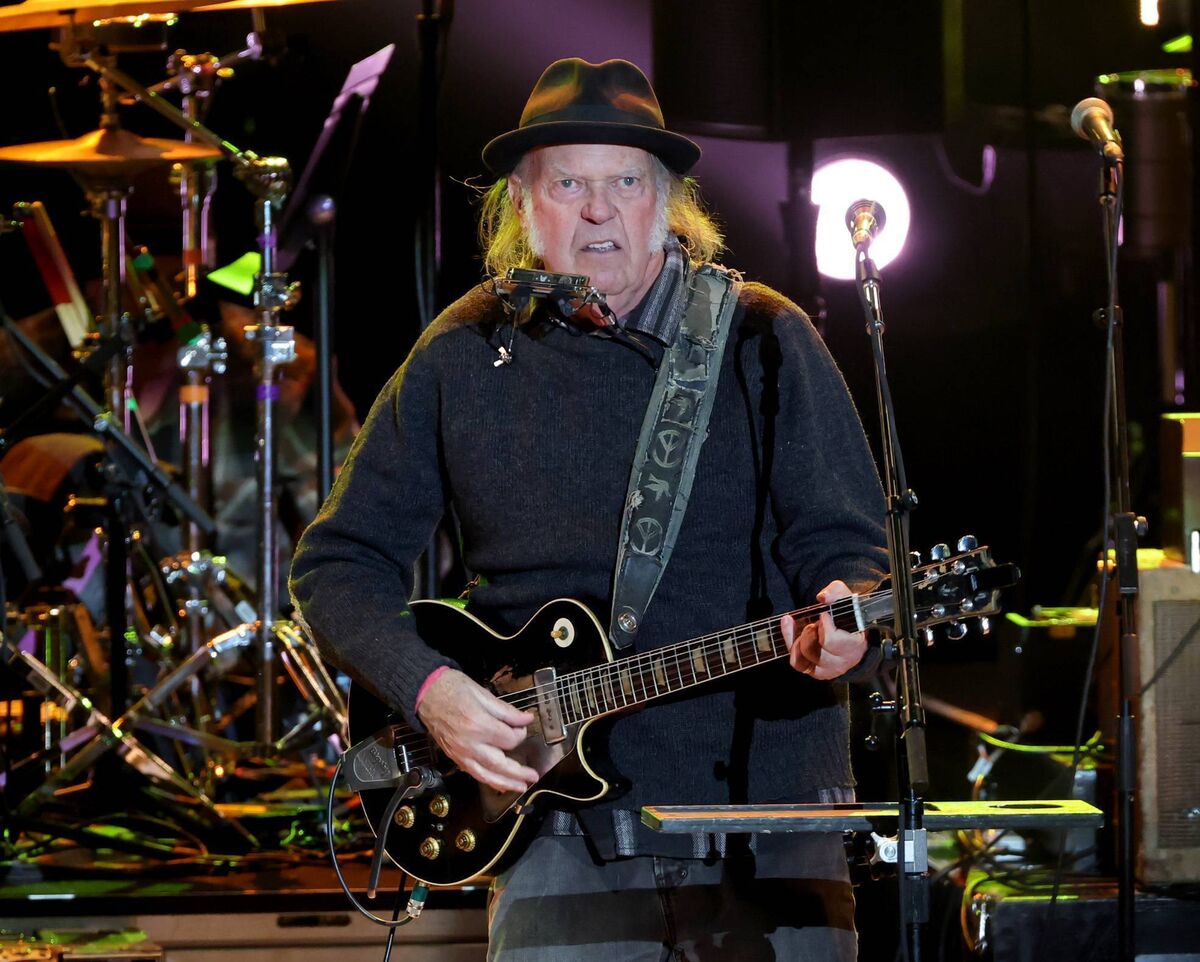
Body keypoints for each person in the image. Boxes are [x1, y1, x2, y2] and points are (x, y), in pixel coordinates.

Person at [291, 57, 888, 961]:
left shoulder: (765, 337)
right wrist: (430, 690)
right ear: (522, 204)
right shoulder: (464, 350)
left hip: (765, 811)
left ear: (668, 201)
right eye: (568, 184)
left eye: (626, 184)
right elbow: (338, 563)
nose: (599, 210)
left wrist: (850, 619)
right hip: (549, 827)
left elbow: (849, 549)